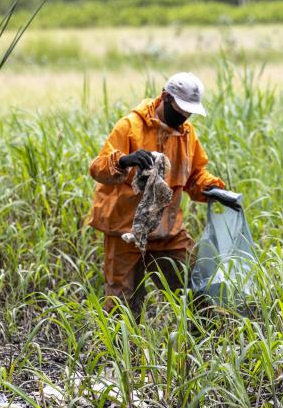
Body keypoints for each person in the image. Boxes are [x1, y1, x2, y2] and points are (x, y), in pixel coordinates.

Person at [88, 72, 225, 316]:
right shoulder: (129, 127)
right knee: (122, 307)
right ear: (164, 97)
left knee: (196, 289)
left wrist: (212, 189)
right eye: (180, 110)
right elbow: (97, 168)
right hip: (125, 232)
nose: (184, 117)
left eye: (189, 112)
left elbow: (194, 176)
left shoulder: (186, 134)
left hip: (167, 233)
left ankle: (204, 346)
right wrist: (124, 160)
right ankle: (123, 352)